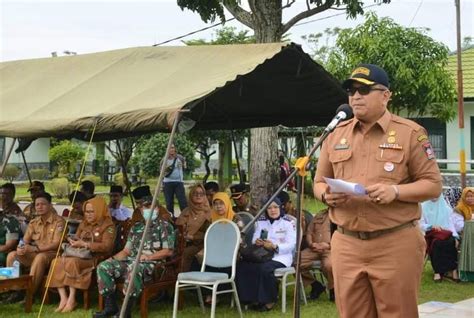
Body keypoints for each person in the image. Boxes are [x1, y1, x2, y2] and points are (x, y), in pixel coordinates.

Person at [313, 64, 442, 318]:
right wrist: (326, 195)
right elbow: (317, 183)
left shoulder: (410, 133)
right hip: (346, 243)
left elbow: (433, 184)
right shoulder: (335, 134)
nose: (355, 96)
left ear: (386, 95)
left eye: (364, 89)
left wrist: (395, 191)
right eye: (351, 90)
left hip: (394, 242)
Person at [93, 190, 175, 318]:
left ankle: (126, 311)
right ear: (141, 210)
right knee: (103, 266)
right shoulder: (136, 227)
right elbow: (126, 251)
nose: (148, 209)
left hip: (153, 264)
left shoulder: (165, 227)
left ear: (157, 209)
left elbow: (168, 251)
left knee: (134, 268)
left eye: (151, 206)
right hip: (131, 260)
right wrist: (112, 259)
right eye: (145, 207)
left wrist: (149, 257)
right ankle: (110, 306)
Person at [47, 197, 115, 312]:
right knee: (56, 262)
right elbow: (77, 237)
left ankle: (72, 299)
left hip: (95, 257)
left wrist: (86, 244)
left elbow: (107, 247)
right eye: (86, 212)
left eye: (91, 211)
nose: (88, 214)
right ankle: (63, 298)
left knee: (72, 262)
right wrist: (73, 241)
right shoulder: (84, 223)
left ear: (99, 210)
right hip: (79, 254)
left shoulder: (108, 226)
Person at [236, 197, 296, 312]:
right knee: (243, 265)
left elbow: (291, 244)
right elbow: (255, 239)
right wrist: (257, 241)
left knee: (265, 269)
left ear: (280, 207)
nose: (272, 210)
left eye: (275, 207)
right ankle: (250, 298)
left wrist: (275, 246)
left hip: (281, 256)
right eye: (269, 208)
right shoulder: (261, 221)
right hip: (262, 254)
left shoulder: (288, 223)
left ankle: (269, 300)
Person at [6, 192, 66, 301]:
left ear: (50, 205)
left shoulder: (59, 221)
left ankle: (30, 293)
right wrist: (20, 247)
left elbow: (57, 243)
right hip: (36, 252)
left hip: (53, 254)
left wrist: (36, 249)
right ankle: (16, 291)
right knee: (12, 255)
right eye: (37, 205)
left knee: (40, 257)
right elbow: (24, 240)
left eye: (43, 204)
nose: (40, 207)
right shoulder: (34, 222)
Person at [420, 194, 460, 282]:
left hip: (445, 234)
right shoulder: (423, 207)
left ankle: (453, 271)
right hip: (431, 234)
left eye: (436, 195)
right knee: (437, 243)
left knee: (451, 241)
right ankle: (437, 272)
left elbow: (451, 225)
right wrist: (432, 226)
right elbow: (420, 224)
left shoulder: (446, 208)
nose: (434, 197)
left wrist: (455, 236)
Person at [300, 208, 334, 301]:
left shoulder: (342, 215)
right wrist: (311, 244)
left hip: (331, 249)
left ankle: (333, 290)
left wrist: (328, 245)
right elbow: (309, 232)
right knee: (295, 261)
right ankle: (315, 285)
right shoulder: (320, 214)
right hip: (314, 249)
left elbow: (344, 235)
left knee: (329, 265)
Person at [175, 184, 211, 272]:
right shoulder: (186, 211)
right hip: (182, 242)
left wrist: (193, 237)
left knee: (187, 253)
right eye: (195, 194)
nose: (198, 196)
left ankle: (183, 279)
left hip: (200, 244)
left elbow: (209, 234)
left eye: (201, 194)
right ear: (191, 196)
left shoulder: (208, 213)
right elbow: (178, 226)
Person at [162, 144, 187, 215]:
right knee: (169, 202)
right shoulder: (164, 160)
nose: (171, 149)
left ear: (175, 149)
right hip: (167, 183)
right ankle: (171, 219)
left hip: (179, 182)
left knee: (182, 202)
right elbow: (161, 172)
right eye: (169, 148)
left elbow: (185, 167)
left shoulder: (180, 158)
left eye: (172, 148)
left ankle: (185, 218)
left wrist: (183, 165)